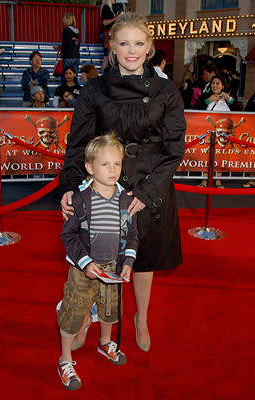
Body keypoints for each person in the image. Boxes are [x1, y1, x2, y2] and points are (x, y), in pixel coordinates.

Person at [60, 12, 186, 353]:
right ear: (112, 46)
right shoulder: (94, 89)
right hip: (103, 185)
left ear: (149, 48)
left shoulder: (166, 91)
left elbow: (175, 149)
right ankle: (89, 315)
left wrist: (146, 192)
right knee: (96, 255)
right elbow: (77, 142)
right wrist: (71, 186)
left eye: (139, 43)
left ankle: (140, 317)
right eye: (125, 42)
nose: (132, 50)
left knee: (144, 258)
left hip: (150, 185)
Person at [57, 134, 138, 390]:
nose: (112, 170)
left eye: (117, 164)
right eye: (105, 164)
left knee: (110, 310)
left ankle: (105, 343)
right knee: (74, 311)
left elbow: (132, 234)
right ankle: (65, 359)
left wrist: (128, 261)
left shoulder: (126, 199)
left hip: (113, 269)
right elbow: (68, 235)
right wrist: (85, 262)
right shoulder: (79, 200)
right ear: (90, 167)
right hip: (83, 270)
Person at [194, 74, 240, 188]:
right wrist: (208, 101)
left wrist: (230, 99)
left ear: (223, 86)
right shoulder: (204, 96)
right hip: (207, 132)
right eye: (213, 83)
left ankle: (218, 181)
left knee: (220, 155)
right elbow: (196, 108)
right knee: (205, 156)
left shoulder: (228, 98)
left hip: (223, 133)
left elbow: (238, 109)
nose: (215, 86)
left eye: (218, 83)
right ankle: (204, 180)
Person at [100, 0, 124, 72]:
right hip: (107, 35)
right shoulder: (106, 7)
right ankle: (105, 74)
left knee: (108, 56)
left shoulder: (110, 8)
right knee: (107, 56)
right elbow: (105, 22)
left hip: (110, 34)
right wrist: (117, 17)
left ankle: (106, 74)